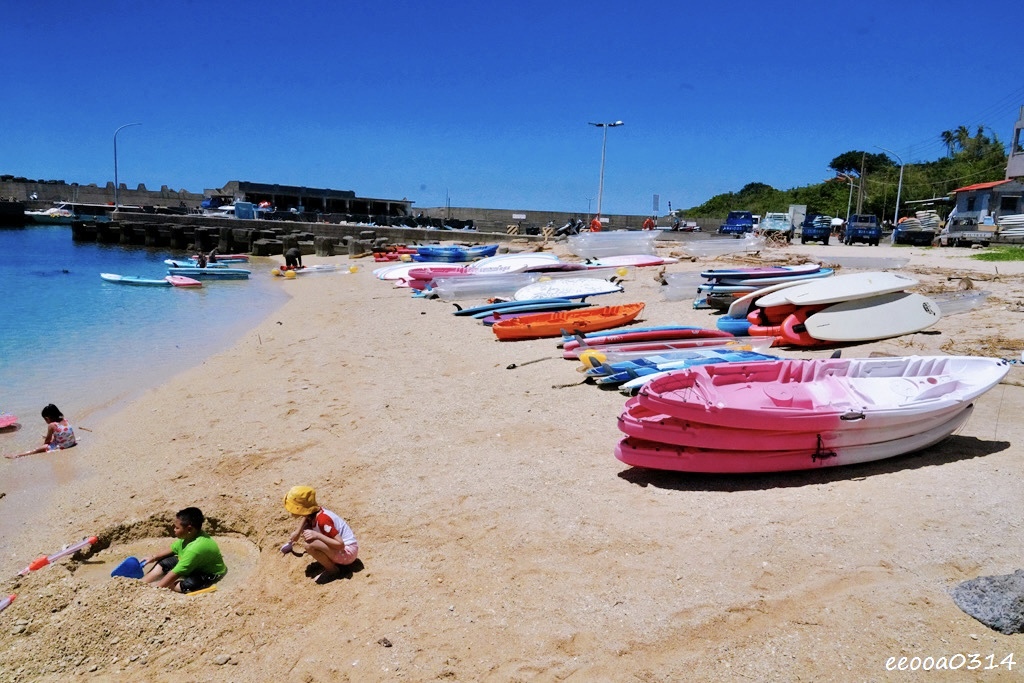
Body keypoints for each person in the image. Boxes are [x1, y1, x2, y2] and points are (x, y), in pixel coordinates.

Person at [280, 486, 358, 584]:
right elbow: (306, 517)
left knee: (310, 545)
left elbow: (340, 544)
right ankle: (330, 560)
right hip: (341, 549)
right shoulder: (314, 511)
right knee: (307, 531)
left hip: (348, 553)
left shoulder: (323, 520)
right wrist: (298, 532)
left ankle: (333, 570)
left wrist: (317, 535)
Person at [142, 507, 227, 593]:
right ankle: (142, 583)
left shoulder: (196, 548)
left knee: (186, 586)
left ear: (189, 529)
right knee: (164, 562)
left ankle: (158, 587)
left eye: (177, 528)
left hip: (208, 573)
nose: (174, 530)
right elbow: (173, 548)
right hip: (193, 563)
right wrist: (154, 557)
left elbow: (175, 573)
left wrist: (156, 589)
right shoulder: (190, 535)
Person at [5, 404, 76, 459]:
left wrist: (46, 444)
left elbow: (47, 441)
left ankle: (18, 455)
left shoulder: (52, 425)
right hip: (72, 442)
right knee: (54, 437)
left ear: (47, 418)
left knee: (38, 449)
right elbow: (62, 432)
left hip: (64, 446)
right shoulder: (65, 420)